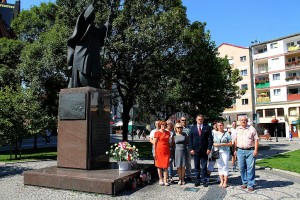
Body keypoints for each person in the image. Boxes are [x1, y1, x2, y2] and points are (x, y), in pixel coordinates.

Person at [67, 0, 111, 88]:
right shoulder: (82, 28)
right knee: (83, 82)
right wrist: (94, 3)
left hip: (94, 63)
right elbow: (84, 17)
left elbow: (104, 29)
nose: (92, 18)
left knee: (93, 85)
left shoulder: (96, 31)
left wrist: (110, 19)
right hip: (82, 59)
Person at [234, 116, 259, 192]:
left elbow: (256, 140)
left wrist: (255, 150)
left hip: (250, 151)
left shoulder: (252, 129)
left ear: (247, 121)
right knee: (241, 168)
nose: (243, 121)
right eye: (242, 120)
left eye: (245, 120)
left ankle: (250, 184)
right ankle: (244, 182)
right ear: (239, 121)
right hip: (240, 151)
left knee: (250, 168)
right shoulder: (237, 129)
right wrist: (235, 150)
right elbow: (235, 140)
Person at [189, 114, 213, 187]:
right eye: (199, 119)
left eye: (201, 119)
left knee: (204, 166)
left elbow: (210, 140)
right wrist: (191, 149)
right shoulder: (192, 128)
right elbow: (190, 139)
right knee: (196, 166)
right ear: (196, 120)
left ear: (203, 120)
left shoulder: (207, 127)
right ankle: (197, 180)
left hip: (204, 150)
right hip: (195, 150)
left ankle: (204, 180)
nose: (200, 120)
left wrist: (209, 148)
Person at [213, 121, 232, 188]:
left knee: (225, 166)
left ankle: (225, 182)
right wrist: (214, 144)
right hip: (217, 151)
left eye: (221, 125)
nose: (220, 127)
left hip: (225, 151)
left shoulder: (227, 134)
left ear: (223, 126)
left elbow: (230, 143)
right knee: (219, 166)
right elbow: (212, 142)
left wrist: (223, 144)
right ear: (217, 126)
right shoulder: (214, 133)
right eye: (219, 125)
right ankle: (221, 181)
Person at [153, 120, 171, 186]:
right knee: (159, 166)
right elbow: (154, 143)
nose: (163, 126)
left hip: (166, 151)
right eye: (162, 125)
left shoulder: (168, 133)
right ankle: (160, 179)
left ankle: (165, 180)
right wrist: (154, 153)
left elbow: (169, 142)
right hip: (159, 151)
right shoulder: (157, 133)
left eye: (164, 125)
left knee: (166, 166)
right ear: (160, 126)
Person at [180, 117, 192, 181]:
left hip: (188, 147)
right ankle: (182, 175)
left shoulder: (190, 128)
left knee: (188, 162)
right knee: (182, 162)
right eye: (182, 120)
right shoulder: (177, 127)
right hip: (181, 147)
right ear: (180, 121)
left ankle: (189, 175)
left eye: (185, 120)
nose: (184, 121)